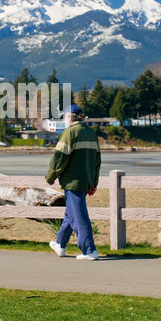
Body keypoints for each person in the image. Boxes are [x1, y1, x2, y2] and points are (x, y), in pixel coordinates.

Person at [45, 104, 101, 260]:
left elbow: (59, 158)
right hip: (86, 180)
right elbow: (97, 161)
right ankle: (60, 244)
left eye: (64, 117)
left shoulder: (69, 133)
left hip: (72, 181)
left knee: (79, 215)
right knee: (71, 213)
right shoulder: (91, 133)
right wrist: (94, 182)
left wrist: (50, 176)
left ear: (70, 117)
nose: (64, 120)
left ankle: (89, 250)